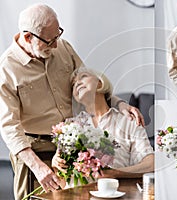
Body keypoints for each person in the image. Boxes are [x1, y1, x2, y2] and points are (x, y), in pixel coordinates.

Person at [0, 4, 144, 199]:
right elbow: (9, 126)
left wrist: (119, 104)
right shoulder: (7, 69)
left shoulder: (64, 48)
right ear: (28, 37)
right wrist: (37, 166)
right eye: (50, 41)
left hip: (71, 146)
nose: (56, 45)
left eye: (58, 34)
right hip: (35, 150)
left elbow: (90, 82)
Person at [52, 67, 154, 188]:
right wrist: (56, 165)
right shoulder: (69, 126)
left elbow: (151, 164)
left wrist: (114, 173)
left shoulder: (128, 121)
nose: (77, 83)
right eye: (73, 84)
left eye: (83, 77)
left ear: (100, 83)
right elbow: (62, 183)